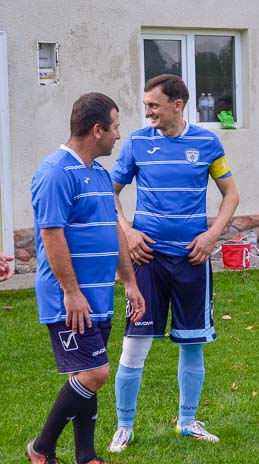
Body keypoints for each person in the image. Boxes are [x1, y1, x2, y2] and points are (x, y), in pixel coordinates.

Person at [108, 74, 240, 451]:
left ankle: (187, 421)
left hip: (192, 260)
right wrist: (128, 232)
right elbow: (111, 193)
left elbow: (231, 195)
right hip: (146, 259)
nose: (147, 111)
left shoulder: (207, 142)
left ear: (177, 105)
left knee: (192, 343)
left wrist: (213, 235)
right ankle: (125, 426)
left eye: (154, 105)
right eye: (146, 104)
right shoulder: (136, 142)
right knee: (135, 344)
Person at [27, 92, 145, 464]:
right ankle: (42, 447)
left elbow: (113, 231)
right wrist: (72, 292)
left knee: (86, 372)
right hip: (69, 299)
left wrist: (129, 282)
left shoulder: (98, 173)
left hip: (98, 296)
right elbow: (51, 234)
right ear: (97, 130)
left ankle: (85, 455)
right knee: (95, 373)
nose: (118, 135)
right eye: (115, 127)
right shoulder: (55, 173)